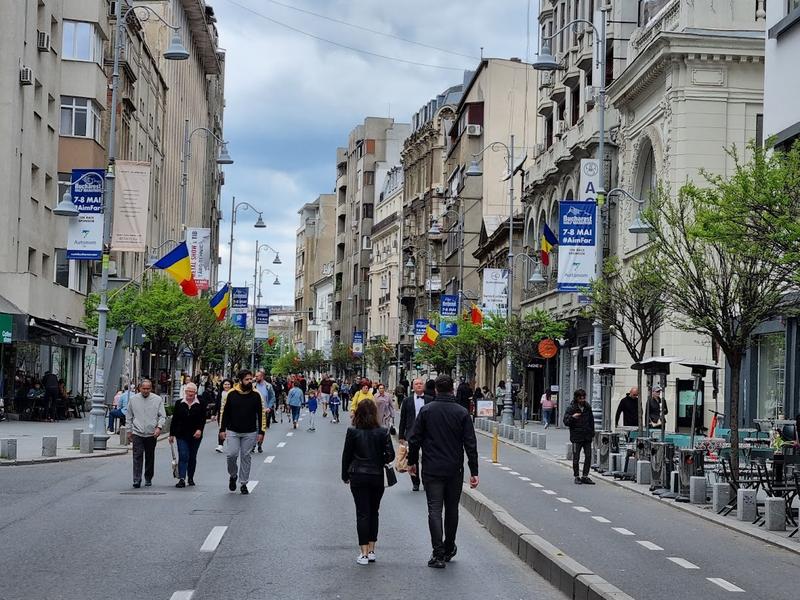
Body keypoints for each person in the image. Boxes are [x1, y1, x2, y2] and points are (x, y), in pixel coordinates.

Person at [408, 375, 479, 568]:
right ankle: (449, 547)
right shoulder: (462, 412)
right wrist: (474, 471)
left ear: (436, 390)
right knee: (452, 509)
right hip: (454, 469)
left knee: (434, 509)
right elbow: (470, 444)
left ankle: (438, 553)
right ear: (452, 390)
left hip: (431, 468)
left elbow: (414, 439)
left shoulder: (426, 411)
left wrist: (412, 462)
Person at [341, 398, 395, 565]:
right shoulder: (382, 431)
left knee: (362, 513)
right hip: (377, 476)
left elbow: (346, 455)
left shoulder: (352, 431)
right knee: (374, 512)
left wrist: (345, 475)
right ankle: (372, 550)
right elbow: (390, 455)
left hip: (357, 475)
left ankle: (363, 553)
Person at [219, 370, 266, 495]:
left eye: (251, 379)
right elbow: (225, 413)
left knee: (246, 456)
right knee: (231, 455)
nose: (250, 381)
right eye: (247, 379)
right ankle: (233, 475)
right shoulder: (231, 394)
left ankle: (244, 483)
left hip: (250, 431)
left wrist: (262, 432)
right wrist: (222, 429)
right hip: (233, 430)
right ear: (240, 380)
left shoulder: (256, 395)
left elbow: (261, 414)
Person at [127, 379, 166, 488]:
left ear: (151, 389)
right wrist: (129, 430)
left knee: (150, 456)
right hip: (137, 432)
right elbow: (129, 416)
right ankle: (136, 479)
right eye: (143, 388)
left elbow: (162, 416)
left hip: (151, 433)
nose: (146, 390)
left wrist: (159, 428)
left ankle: (148, 477)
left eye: (148, 388)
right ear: (139, 388)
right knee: (137, 456)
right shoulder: (133, 399)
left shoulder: (157, 400)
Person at [169, 382, 205, 488]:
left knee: (192, 456)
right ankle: (181, 478)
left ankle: (190, 477)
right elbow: (175, 419)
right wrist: (171, 434)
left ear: (196, 393)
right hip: (181, 434)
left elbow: (203, 419)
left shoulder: (201, 403)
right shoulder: (179, 403)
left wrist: (200, 429)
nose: (190, 393)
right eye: (189, 391)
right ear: (185, 392)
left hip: (196, 434)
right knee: (183, 455)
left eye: (193, 392)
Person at [399, 378, 429, 491]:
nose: (419, 385)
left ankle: (426, 482)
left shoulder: (430, 400)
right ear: (413, 387)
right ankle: (415, 482)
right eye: (416, 384)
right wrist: (401, 435)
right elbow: (403, 419)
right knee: (413, 458)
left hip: (427, 433)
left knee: (427, 458)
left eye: (421, 384)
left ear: (424, 386)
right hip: (412, 433)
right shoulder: (407, 401)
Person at [564, 389, 595, 485]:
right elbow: (565, 421)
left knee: (588, 456)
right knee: (576, 457)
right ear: (576, 398)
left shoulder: (587, 407)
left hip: (587, 436)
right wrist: (572, 417)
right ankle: (576, 476)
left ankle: (585, 476)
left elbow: (591, 421)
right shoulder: (571, 408)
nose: (582, 400)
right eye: (580, 398)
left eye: (583, 398)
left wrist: (591, 433)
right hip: (576, 436)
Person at [254, 369, 276, 452]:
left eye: (257, 376)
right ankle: (253, 444)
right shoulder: (253, 385)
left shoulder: (268, 386)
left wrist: (269, 407)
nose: (255, 377)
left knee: (261, 428)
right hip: (253, 410)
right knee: (253, 427)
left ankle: (259, 445)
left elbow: (272, 397)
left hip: (264, 410)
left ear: (262, 377)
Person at [213, 378, 233, 453]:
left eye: (228, 384)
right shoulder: (220, 393)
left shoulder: (233, 393)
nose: (227, 386)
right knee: (222, 429)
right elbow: (217, 404)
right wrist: (214, 414)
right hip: (221, 414)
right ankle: (220, 445)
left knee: (231, 431)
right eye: (225, 384)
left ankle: (232, 445)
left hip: (232, 415)